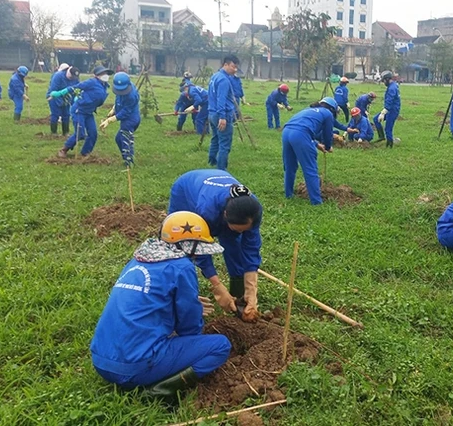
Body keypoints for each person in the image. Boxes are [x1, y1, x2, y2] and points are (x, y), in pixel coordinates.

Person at [90, 211, 232, 399]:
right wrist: (192, 322)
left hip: (101, 360)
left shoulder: (138, 260)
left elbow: (150, 297)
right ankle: (160, 390)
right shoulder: (182, 266)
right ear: (189, 246)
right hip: (134, 367)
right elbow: (189, 326)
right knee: (220, 345)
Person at [168, 170, 264, 321]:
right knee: (183, 245)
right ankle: (179, 291)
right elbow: (199, 249)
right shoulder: (207, 210)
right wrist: (217, 287)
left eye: (244, 230)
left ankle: (238, 298)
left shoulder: (252, 210)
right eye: (237, 229)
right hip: (186, 190)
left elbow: (250, 249)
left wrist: (251, 291)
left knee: (234, 245)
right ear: (225, 215)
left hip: (220, 197)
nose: (241, 233)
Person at [282, 97, 337, 205]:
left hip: (286, 132)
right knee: (310, 168)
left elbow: (304, 128)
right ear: (332, 109)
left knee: (289, 166)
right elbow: (328, 133)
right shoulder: (328, 113)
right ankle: (316, 201)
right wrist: (327, 146)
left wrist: (317, 144)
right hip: (301, 134)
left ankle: (288, 194)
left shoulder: (309, 110)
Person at [49, 65, 113, 158]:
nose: (105, 75)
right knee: (80, 133)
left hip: (89, 112)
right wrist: (60, 93)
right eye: (103, 73)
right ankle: (64, 150)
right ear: (97, 75)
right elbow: (76, 87)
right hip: (79, 110)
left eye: (106, 74)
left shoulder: (104, 86)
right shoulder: (92, 82)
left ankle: (85, 152)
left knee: (93, 134)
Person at [99, 73, 141, 166]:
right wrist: (114, 109)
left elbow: (126, 112)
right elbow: (119, 99)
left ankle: (129, 163)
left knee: (125, 140)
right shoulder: (121, 90)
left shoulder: (131, 96)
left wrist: (109, 120)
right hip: (126, 118)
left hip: (130, 120)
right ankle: (126, 158)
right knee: (118, 139)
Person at [207, 55, 239, 170]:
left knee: (215, 138)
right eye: (233, 67)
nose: (235, 70)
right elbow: (221, 99)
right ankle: (221, 170)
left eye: (236, 68)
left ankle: (211, 160)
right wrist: (223, 117)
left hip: (211, 113)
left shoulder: (215, 76)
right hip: (221, 115)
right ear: (225, 64)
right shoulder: (224, 80)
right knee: (225, 144)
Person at [47, 65, 80, 135]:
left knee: (66, 114)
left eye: (74, 78)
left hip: (67, 97)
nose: (72, 79)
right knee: (55, 114)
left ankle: (65, 132)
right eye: (71, 77)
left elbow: (76, 89)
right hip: (54, 97)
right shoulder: (58, 76)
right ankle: (53, 133)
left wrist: (75, 101)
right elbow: (53, 90)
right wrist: (60, 95)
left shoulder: (75, 79)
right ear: (68, 72)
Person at [374, 71, 401, 147]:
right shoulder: (393, 85)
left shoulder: (392, 88)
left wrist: (383, 113)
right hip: (389, 109)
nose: (383, 82)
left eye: (384, 81)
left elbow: (390, 101)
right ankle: (381, 137)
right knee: (376, 119)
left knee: (388, 128)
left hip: (392, 110)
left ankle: (389, 143)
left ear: (387, 79)